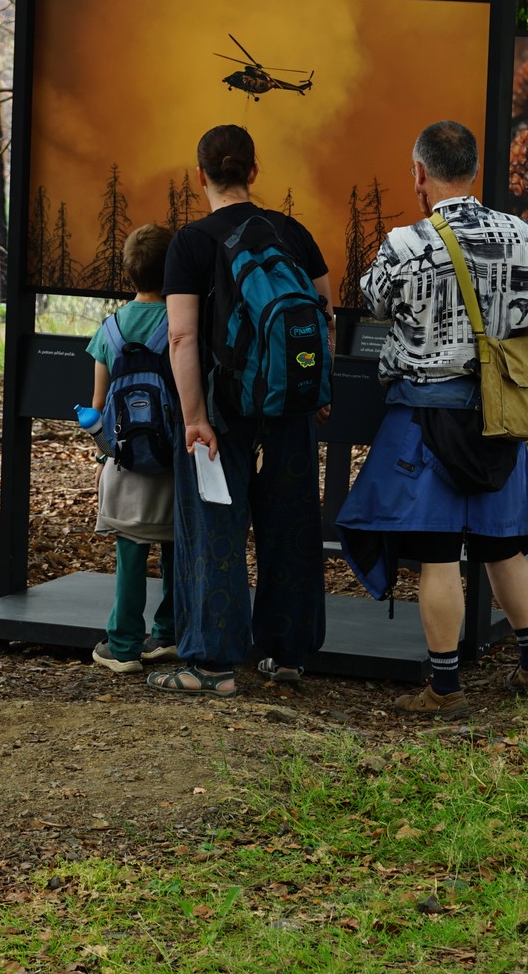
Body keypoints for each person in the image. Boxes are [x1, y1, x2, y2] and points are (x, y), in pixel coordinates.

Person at [338, 120, 528, 718]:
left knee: (440, 557)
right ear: (474, 169)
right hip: (500, 419)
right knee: (503, 547)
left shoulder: (405, 244)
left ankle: (444, 689)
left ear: (419, 173)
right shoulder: (527, 237)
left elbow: (373, 301)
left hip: (424, 424)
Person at [150, 125, 332, 697]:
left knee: (214, 527)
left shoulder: (192, 243)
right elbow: (322, 319)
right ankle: (288, 654)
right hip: (289, 406)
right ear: (253, 172)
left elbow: (181, 338)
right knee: (291, 523)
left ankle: (213, 664)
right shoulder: (294, 233)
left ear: (200, 175)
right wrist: (316, 390)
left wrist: (195, 417)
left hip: (221, 412)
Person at [84, 225, 180, 675]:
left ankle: (122, 645)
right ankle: (169, 633)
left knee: (131, 555)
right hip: (177, 464)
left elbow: (99, 408)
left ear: (127, 273)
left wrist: (104, 454)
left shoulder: (108, 331)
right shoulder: (183, 325)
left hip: (128, 465)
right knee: (178, 549)